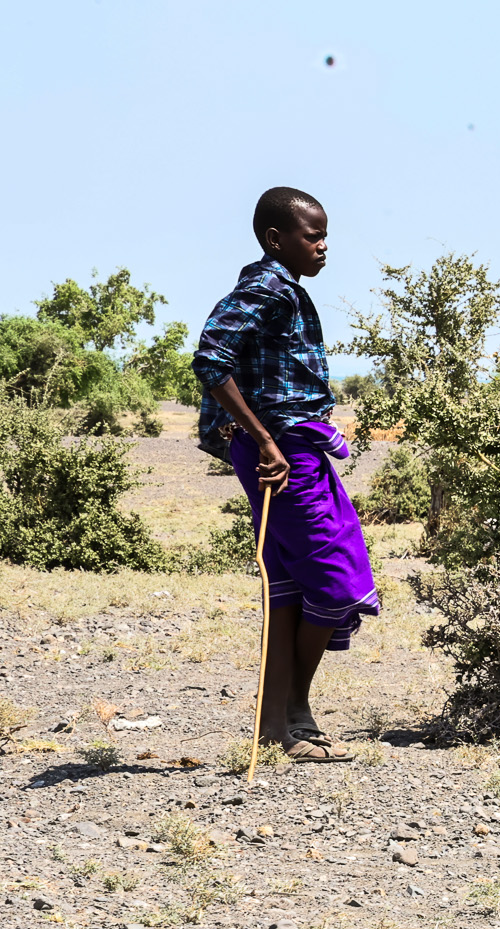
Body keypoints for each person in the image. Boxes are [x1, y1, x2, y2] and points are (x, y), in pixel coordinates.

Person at [193, 186, 377, 762]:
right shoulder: (266, 287)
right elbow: (209, 357)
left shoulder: (285, 291)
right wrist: (264, 438)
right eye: (312, 235)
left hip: (293, 448)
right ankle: (290, 716)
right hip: (282, 452)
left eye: (325, 235)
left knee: (293, 584)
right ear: (276, 239)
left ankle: (283, 722)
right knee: (336, 573)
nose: (324, 246)